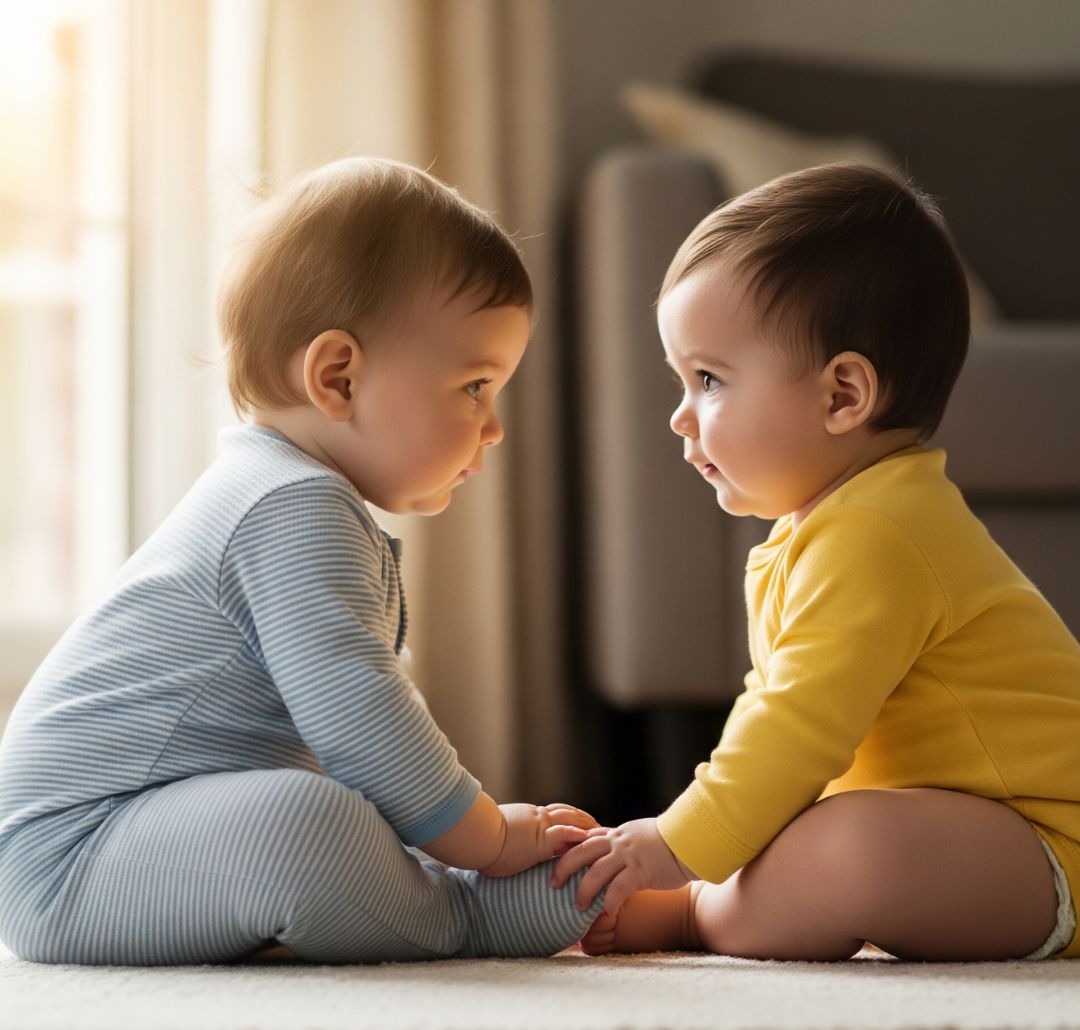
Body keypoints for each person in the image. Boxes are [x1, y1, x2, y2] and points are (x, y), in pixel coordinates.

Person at [0, 157, 601, 965]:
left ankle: (406, 892)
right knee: (302, 824)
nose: (491, 428)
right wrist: (484, 838)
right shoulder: (289, 507)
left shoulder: (289, 494)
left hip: (135, 838)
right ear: (338, 377)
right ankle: (458, 920)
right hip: (72, 861)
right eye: (473, 387)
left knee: (324, 807)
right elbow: (362, 718)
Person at [552, 163, 1080, 962]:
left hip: (1053, 849)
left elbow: (795, 727)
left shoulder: (879, 531)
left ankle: (698, 914)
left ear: (843, 397)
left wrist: (674, 845)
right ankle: (718, 897)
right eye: (680, 381)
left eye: (709, 380)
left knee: (854, 846)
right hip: (980, 836)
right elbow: (776, 726)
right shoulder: (828, 526)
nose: (678, 416)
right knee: (809, 816)